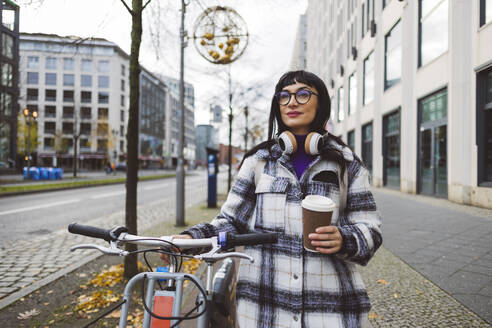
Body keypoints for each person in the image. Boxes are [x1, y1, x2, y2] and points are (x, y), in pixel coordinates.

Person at [164, 70, 382, 327]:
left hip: (331, 308)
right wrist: (191, 239)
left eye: (303, 94)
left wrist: (344, 238)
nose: (291, 102)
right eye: (284, 96)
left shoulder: (346, 163)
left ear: (320, 102)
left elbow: (370, 230)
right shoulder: (258, 161)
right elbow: (230, 221)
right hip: (264, 308)